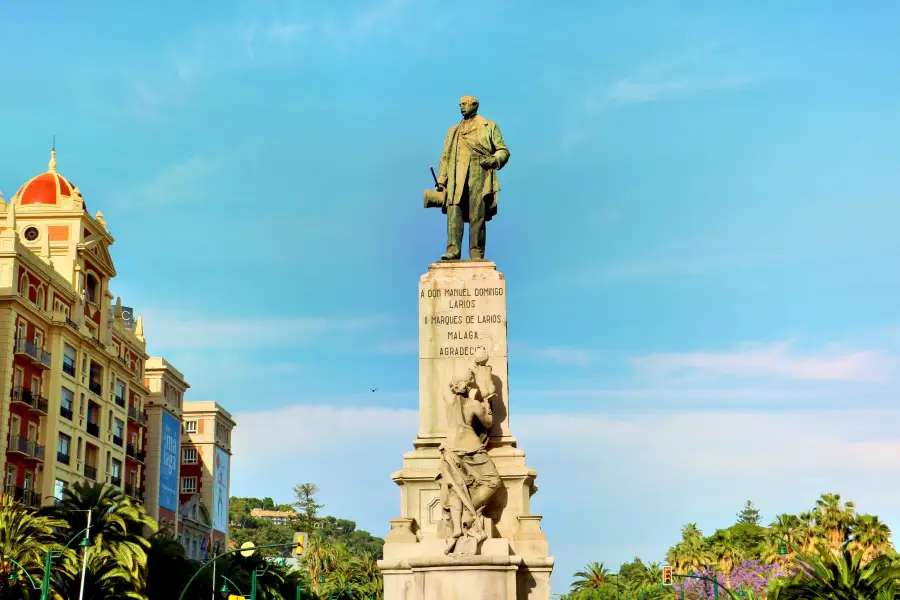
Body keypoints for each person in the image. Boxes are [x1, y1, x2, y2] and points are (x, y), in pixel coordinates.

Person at [435, 95, 510, 260]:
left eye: (465, 104)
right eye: (460, 104)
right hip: (456, 176)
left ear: (474, 105)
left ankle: (476, 252)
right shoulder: (453, 131)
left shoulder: (489, 126)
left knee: (478, 214)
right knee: (454, 211)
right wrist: (441, 180)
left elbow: (503, 150)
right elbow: (445, 157)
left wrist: (495, 159)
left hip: (479, 173)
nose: (461, 107)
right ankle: (453, 250)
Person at [437, 367, 502, 554]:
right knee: (493, 481)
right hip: (471, 448)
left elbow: (443, 386)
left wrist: (462, 379)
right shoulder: (473, 405)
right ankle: (469, 511)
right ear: (467, 386)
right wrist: (488, 404)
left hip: (450, 448)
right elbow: (488, 423)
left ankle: (457, 528)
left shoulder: (448, 402)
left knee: (457, 487)